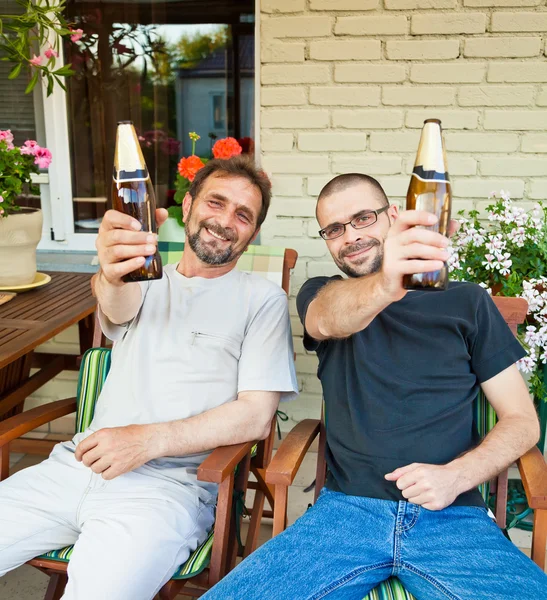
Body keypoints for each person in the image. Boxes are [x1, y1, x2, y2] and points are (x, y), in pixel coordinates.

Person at [203, 173, 547, 599]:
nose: (350, 236)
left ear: (394, 216)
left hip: (453, 517)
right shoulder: (322, 293)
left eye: (363, 218)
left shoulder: (468, 301)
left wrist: (458, 476)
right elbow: (327, 319)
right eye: (334, 229)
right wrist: (390, 282)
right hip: (346, 516)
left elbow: (522, 421)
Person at [0, 155, 298, 600]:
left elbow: (255, 417)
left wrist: (146, 441)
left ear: (253, 233)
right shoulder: (142, 275)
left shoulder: (262, 300)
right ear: (190, 204)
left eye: (243, 215)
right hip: (75, 466)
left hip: (164, 492)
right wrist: (111, 271)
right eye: (216, 203)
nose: (225, 221)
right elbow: (116, 303)